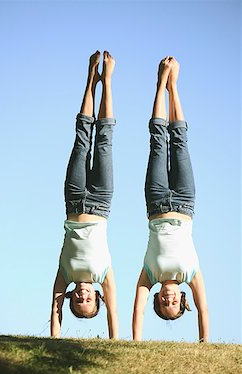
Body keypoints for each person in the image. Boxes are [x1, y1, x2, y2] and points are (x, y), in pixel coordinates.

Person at [132, 56, 209, 342]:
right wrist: (204, 345)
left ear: (157, 298)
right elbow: (204, 311)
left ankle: (161, 84)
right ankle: (174, 86)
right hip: (186, 202)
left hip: (155, 203)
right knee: (179, 141)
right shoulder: (192, 274)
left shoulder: (149, 274)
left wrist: (136, 344)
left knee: (157, 141)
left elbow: (137, 311)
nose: (168, 299)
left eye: (163, 304)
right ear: (181, 298)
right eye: (174, 304)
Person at [50, 51, 118, 339]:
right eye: (88, 301)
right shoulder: (104, 275)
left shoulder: (65, 275)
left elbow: (54, 308)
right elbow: (114, 314)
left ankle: (91, 79)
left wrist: (55, 338)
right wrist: (116, 342)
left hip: (74, 199)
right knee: (103, 140)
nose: (82, 297)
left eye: (77, 301)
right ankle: (109, 81)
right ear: (98, 297)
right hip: (101, 202)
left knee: (81, 139)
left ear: (71, 298)